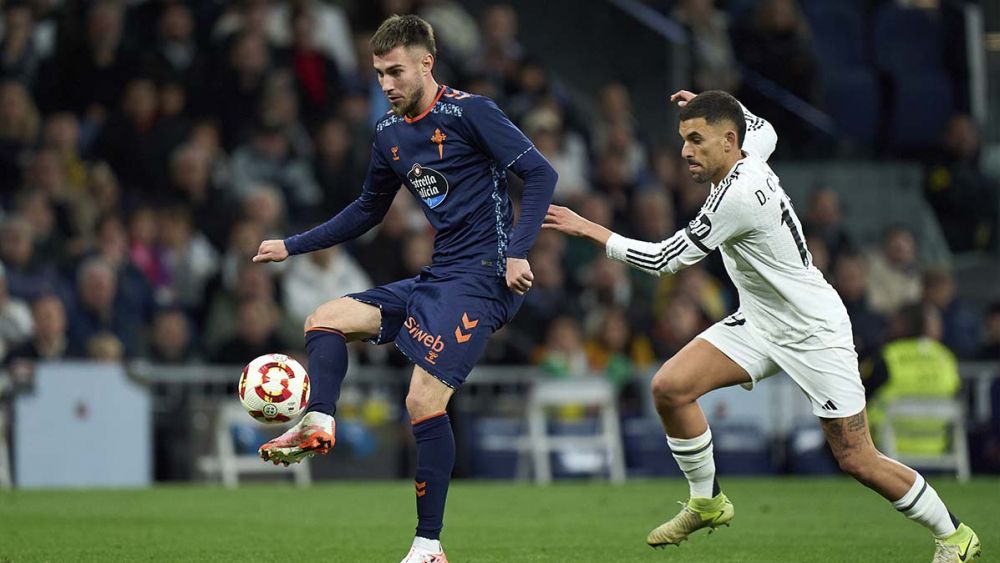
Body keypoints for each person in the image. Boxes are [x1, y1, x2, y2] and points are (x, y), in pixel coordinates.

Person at [542, 90, 980, 562]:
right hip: (759, 320)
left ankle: (955, 536)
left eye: (696, 139)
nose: (686, 151)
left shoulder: (737, 197)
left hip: (813, 330)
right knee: (670, 387)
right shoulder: (752, 146)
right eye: (683, 139)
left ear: (728, 141)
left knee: (857, 458)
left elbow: (665, 259)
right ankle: (707, 502)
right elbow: (762, 126)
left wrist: (592, 230)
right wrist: (715, 102)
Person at [250, 15, 556, 563]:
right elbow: (368, 209)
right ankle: (319, 417)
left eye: (395, 72)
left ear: (425, 64)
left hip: (484, 277)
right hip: (439, 277)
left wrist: (517, 250)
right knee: (324, 318)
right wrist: (291, 245)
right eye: (378, 75)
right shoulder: (389, 134)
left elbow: (540, 174)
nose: (386, 85)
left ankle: (428, 545)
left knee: (421, 399)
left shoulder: (472, 112)